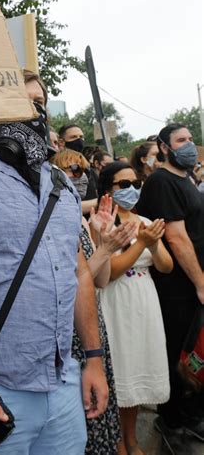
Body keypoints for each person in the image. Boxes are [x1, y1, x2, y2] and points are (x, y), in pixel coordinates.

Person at [0, 76, 109, 454]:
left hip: (62, 379)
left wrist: (93, 359)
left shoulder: (63, 185)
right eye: (21, 100)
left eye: (39, 101)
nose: (33, 110)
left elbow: (79, 273)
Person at [53, 149, 136, 455]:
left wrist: (102, 240)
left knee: (103, 420)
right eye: (73, 170)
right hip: (72, 334)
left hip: (92, 328)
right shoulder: (53, 220)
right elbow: (76, 279)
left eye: (84, 171)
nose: (80, 177)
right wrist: (107, 248)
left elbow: (99, 280)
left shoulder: (81, 219)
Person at [136, 124, 204, 452]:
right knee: (179, 352)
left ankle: (190, 414)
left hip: (191, 284)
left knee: (194, 353)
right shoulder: (162, 181)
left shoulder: (184, 177)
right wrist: (201, 283)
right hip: (177, 287)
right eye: (181, 141)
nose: (189, 145)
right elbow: (176, 237)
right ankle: (172, 420)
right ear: (164, 147)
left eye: (191, 139)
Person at [98, 162, 173, 455]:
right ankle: (117, 441)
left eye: (135, 183)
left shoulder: (144, 219)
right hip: (116, 300)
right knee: (119, 372)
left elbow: (166, 266)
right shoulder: (103, 221)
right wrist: (141, 243)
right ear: (109, 189)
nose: (132, 189)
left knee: (139, 369)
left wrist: (152, 245)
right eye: (123, 184)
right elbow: (111, 271)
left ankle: (132, 439)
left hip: (144, 299)